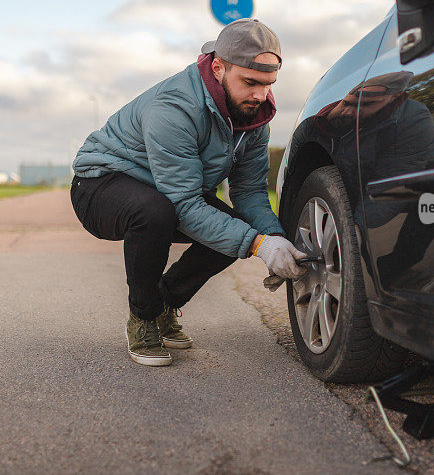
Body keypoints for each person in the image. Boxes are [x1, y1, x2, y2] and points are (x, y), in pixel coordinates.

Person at [70, 18, 307, 366]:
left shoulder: (254, 117)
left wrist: (273, 239)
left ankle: (164, 303)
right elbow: (181, 202)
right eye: (250, 82)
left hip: (166, 191)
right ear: (218, 66)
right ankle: (144, 318)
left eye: (268, 84)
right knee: (156, 213)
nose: (260, 95)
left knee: (238, 230)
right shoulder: (175, 107)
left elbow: (250, 191)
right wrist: (259, 246)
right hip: (101, 184)